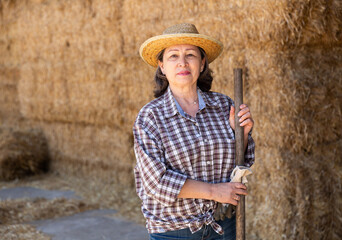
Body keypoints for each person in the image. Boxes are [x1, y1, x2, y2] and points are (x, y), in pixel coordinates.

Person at [133, 23, 255, 240]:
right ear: (161, 66)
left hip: (223, 225)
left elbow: (240, 164)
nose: (182, 62)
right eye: (173, 56)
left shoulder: (224, 105)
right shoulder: (150, 117)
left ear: (202, 64)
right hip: (175, 231)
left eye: (190, 54)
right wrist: (214, 191)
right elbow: (156, 183)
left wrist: (242, 135)